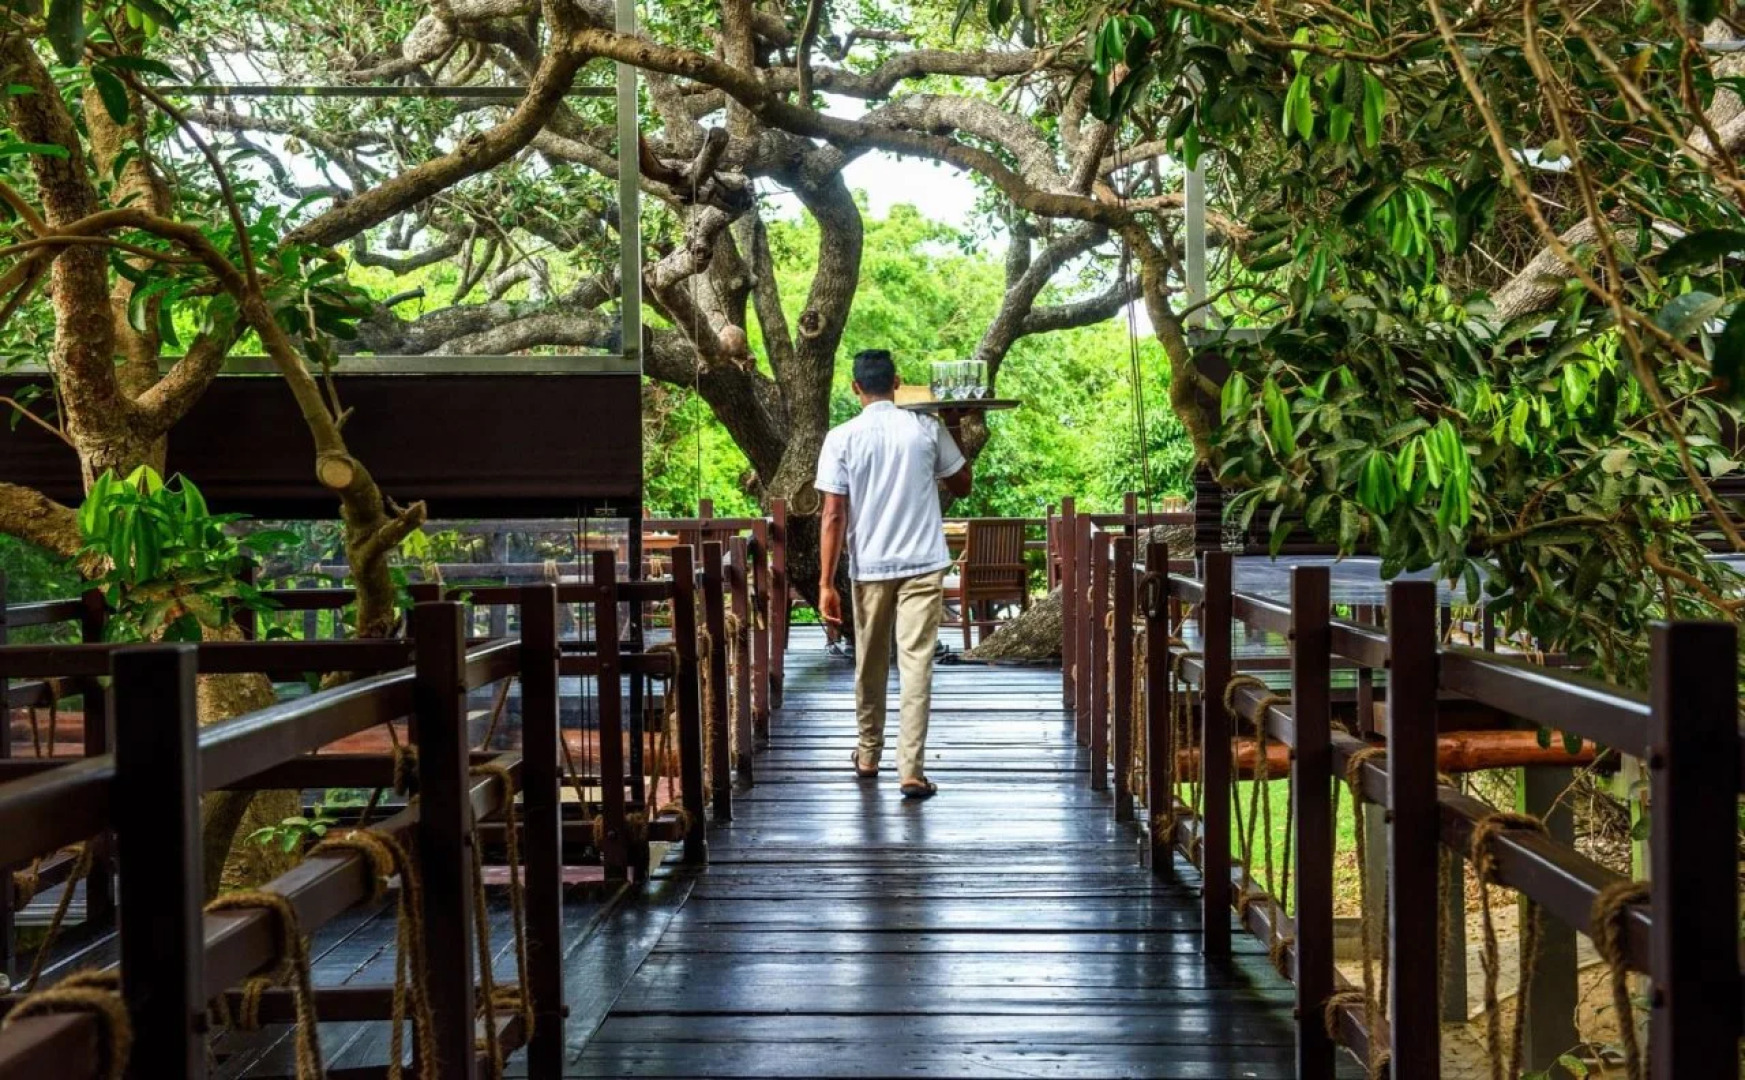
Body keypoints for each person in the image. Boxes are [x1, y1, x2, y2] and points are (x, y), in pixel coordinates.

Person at [815, 349, 973, 799]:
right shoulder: (926, 428)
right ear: (898, 382)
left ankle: (868, 754)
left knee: (869, 659)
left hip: (870, 566)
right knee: (916, 663)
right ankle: (911, 770)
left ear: (855, 387)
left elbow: (831, 514)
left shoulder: (842, 437)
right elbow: (962, 485)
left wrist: (827, 583)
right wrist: (954, 421)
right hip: (923, 561)